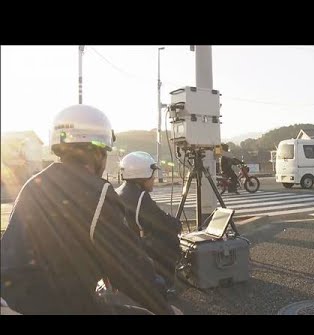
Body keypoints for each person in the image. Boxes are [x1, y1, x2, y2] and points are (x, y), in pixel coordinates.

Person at [0, 104, 173, 315]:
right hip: (52, 304)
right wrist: (165, 308)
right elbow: (132, 270)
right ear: (98, 152)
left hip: (13, 299)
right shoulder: (96, 192)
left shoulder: (35, 183)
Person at [115, 151, 182, 290]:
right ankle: (165, 285)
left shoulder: (119, 191)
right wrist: (176, 224)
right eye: (153, 175)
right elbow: (162, 222)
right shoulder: (140, 197)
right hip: (136, 249)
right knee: (170, 238)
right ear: (143, 175)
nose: (154, 179)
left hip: (122, 246)